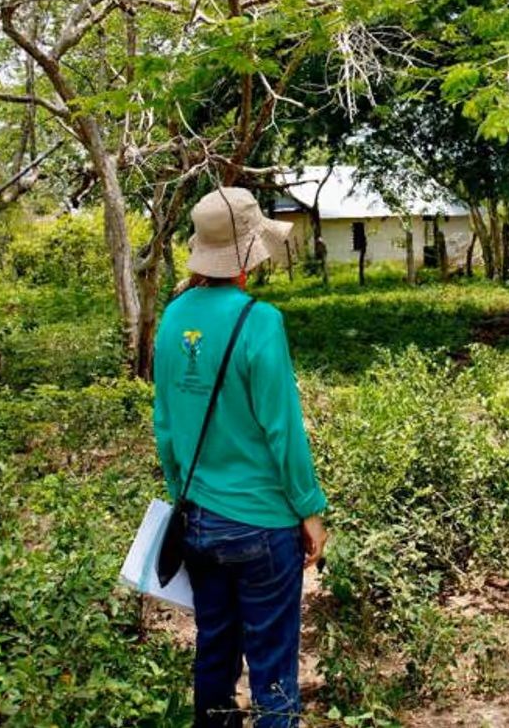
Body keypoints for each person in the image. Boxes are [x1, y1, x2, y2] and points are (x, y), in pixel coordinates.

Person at [153, 187, 328, 728]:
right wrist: (310, 509)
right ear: (249, 254)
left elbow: (165, 428)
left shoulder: (172, 317)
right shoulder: (259, 321)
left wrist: (184, 491)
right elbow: (283, 430)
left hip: (199, 521)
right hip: (263, 528)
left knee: (215, 652)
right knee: (273, 666)